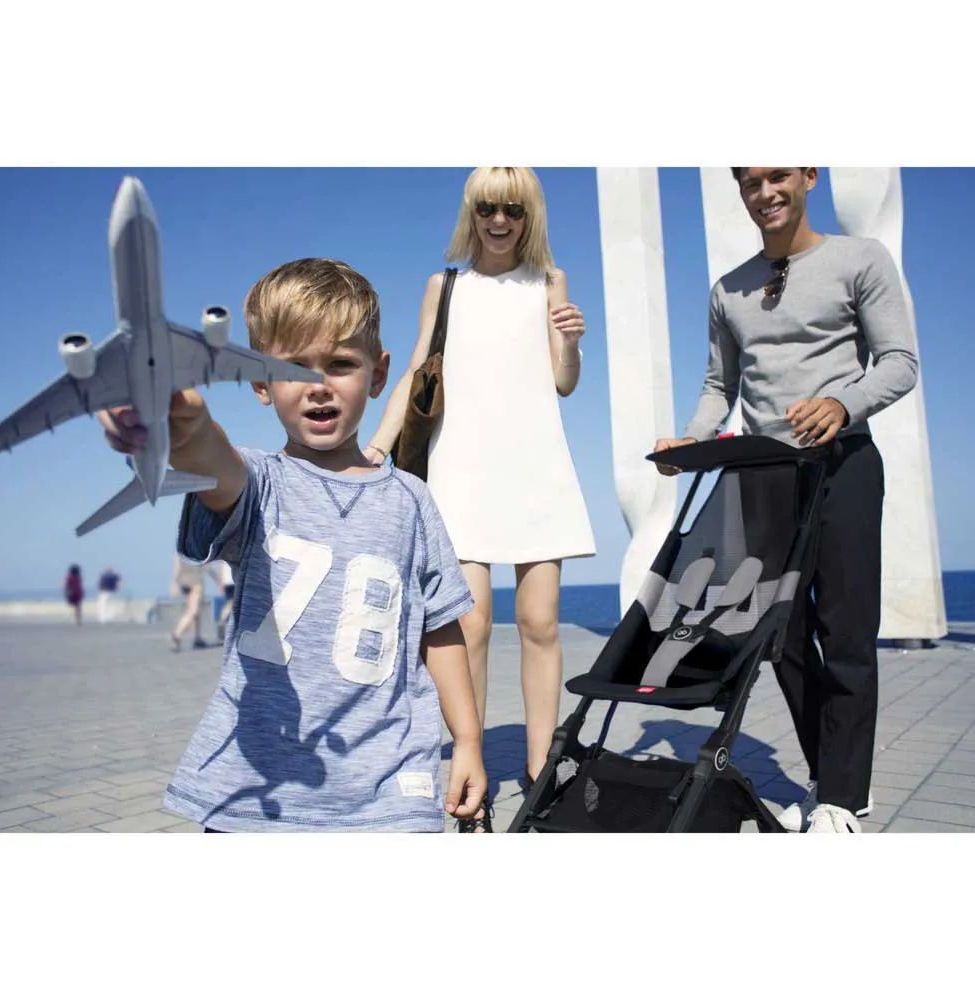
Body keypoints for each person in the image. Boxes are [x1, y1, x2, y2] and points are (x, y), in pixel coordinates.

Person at [97, 256, 486, 832]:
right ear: (260, 382)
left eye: (341, 364)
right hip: (258, 782)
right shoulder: (260, 483)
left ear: (378, 374)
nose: (317, 385)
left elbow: (440, 628)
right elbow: (210, 459)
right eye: (292, 368)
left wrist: (469, 741)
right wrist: (180, 423)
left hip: (390, 783)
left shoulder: (412, 500)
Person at [654, 167, 918, 833]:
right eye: (751, 182)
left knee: (846, 634)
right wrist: (690, 439)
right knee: (780, 637)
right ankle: (830, 777)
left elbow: (899, 362)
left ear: (809, 176)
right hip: (763, 476)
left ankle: (841, 800)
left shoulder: (860, 259)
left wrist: (843, 403)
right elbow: (720, 386)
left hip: (843, 465)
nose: (765, 192)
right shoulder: (728, 289)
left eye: (778, 176)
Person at [365, 167, 595, 831]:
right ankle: (473, 783)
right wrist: (377, 447)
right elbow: (417, 368)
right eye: (488, 207)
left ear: (530, 215)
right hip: (462, 466)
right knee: (469, 625)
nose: (499, 221)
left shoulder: (550, 281)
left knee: (540, 621)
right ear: (472, 211)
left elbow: (564, 381)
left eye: (513, 209)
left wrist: (571, 343)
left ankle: (540, 773)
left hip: (535, 465)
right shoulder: (446, 285)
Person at [170, 553, 209, 652]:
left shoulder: (180, 549)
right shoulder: (198, 549)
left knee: (195, 613)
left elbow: (177, 567)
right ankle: (177, 634)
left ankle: (197, 639)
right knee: (193, 611)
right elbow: (207, 566)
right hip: (195, 582)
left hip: (185, 582)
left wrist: (175, 583)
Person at [216, 560, 235, 642]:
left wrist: (220, 583)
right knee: (231, 603)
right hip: (232, 581)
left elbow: (220, 570)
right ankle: (221, 621)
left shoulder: (223, 558)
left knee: (231, 603)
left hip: (227, 582)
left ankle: (223, 622)